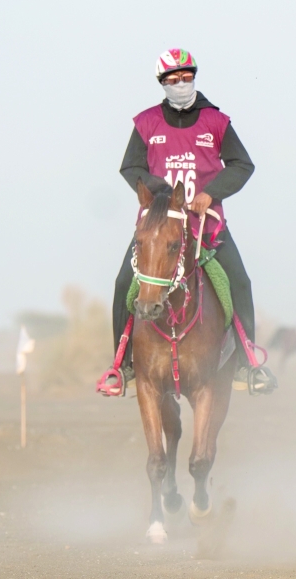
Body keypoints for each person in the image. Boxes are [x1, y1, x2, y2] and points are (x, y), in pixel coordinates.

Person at [108, 48, 266, 391]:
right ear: (162, 83)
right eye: (173, 80)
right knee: (124, 283)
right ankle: (120, 365)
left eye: (186, 78)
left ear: (194, 78)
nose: (181, 85)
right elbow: (130, 167)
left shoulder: (217, 122)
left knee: (239, 281)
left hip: (206, 228)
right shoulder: (146, 122)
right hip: (158, 229)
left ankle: (248, 363)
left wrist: (212, 192)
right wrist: (160, 190)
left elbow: (242, 165)